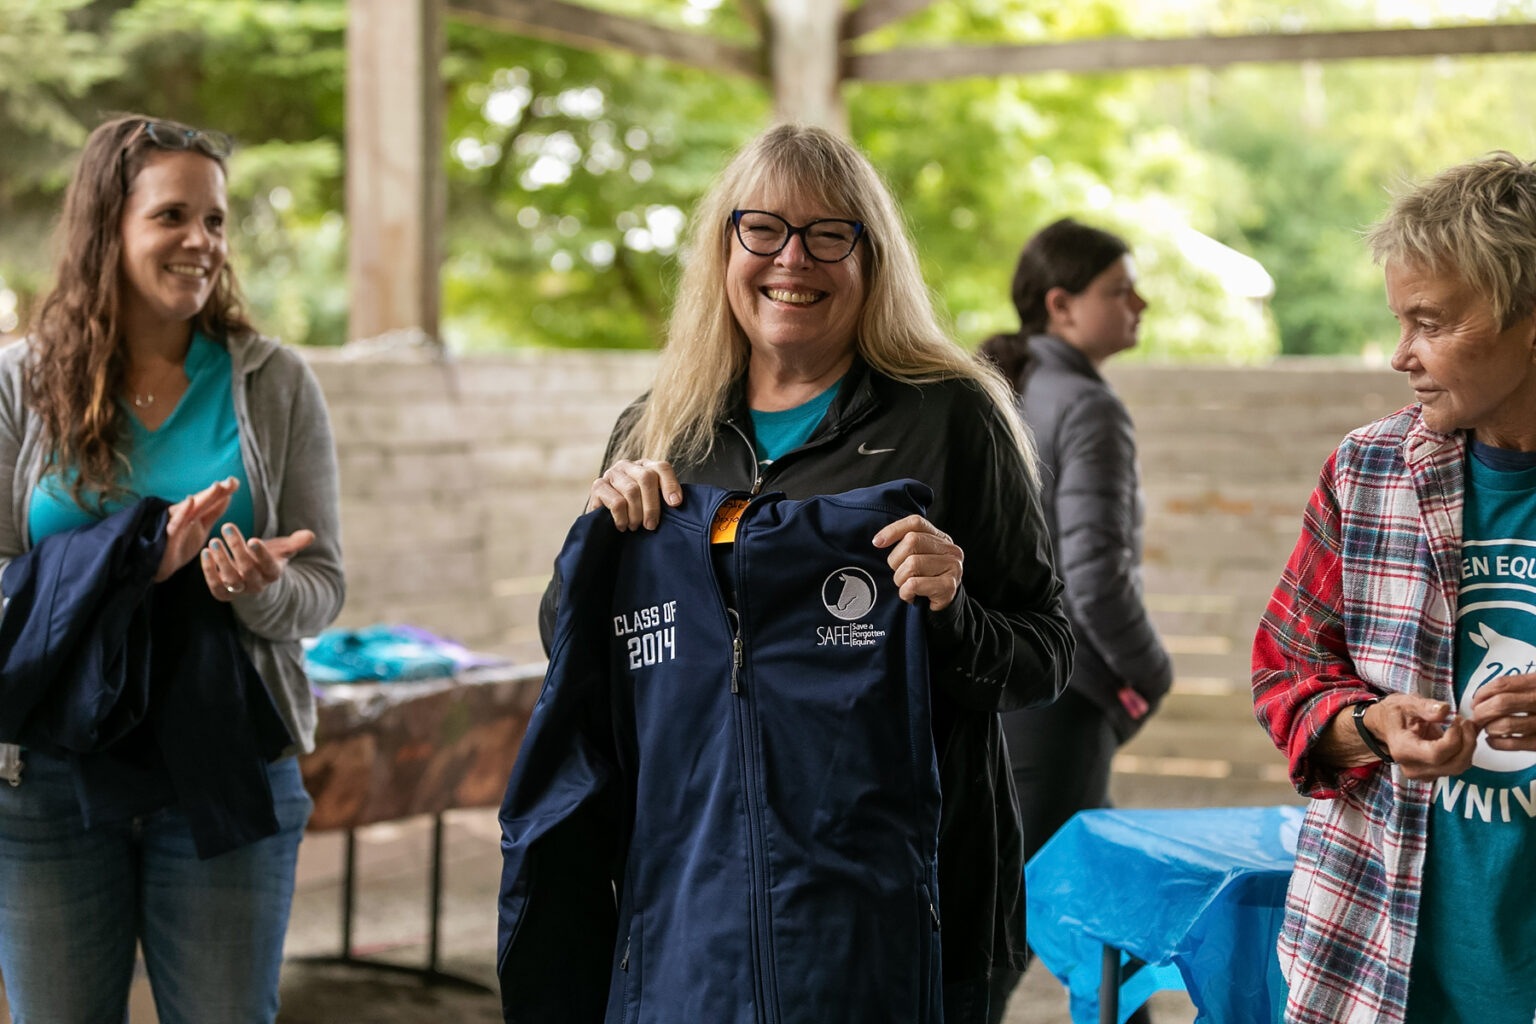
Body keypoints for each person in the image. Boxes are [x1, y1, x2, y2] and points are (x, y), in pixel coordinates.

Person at [500, 123, 1073, 1024]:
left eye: (827, 235)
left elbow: (1046, 654)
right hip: (692, 917)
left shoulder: (950, 417)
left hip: (903, 919)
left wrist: (953, 609)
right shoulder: (661, 429)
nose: (791, 260)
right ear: (723, 250)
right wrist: (599, 540)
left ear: (871, 260)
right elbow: (579, 657)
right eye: (761, 229)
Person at [0, 114, 344, 1023]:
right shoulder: (17, 383)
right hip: (44, 780)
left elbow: (324, 586)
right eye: (172, 216)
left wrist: (263, 587)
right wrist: (134, 562)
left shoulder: (275, 383)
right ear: (106, 226)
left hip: (226, 764)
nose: (202, 242)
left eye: (216, 220)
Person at [1253, 151, 1536, 1023]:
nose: (1399, 355)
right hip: (1376, 963)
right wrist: (1370, 727)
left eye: (1430, 322)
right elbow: (1284, 674)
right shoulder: (1368, 470)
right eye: (1399, 321)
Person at [978, 218, 1173, 1023]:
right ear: (1061, 306)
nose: (1139, 303)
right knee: (1010, 932)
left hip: (994, 689)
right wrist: (1153, 673)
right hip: (1057, 703)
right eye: (1119, 290)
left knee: (1085, 908)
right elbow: (1095, 582)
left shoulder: (999, 390)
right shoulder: (1087, 407)